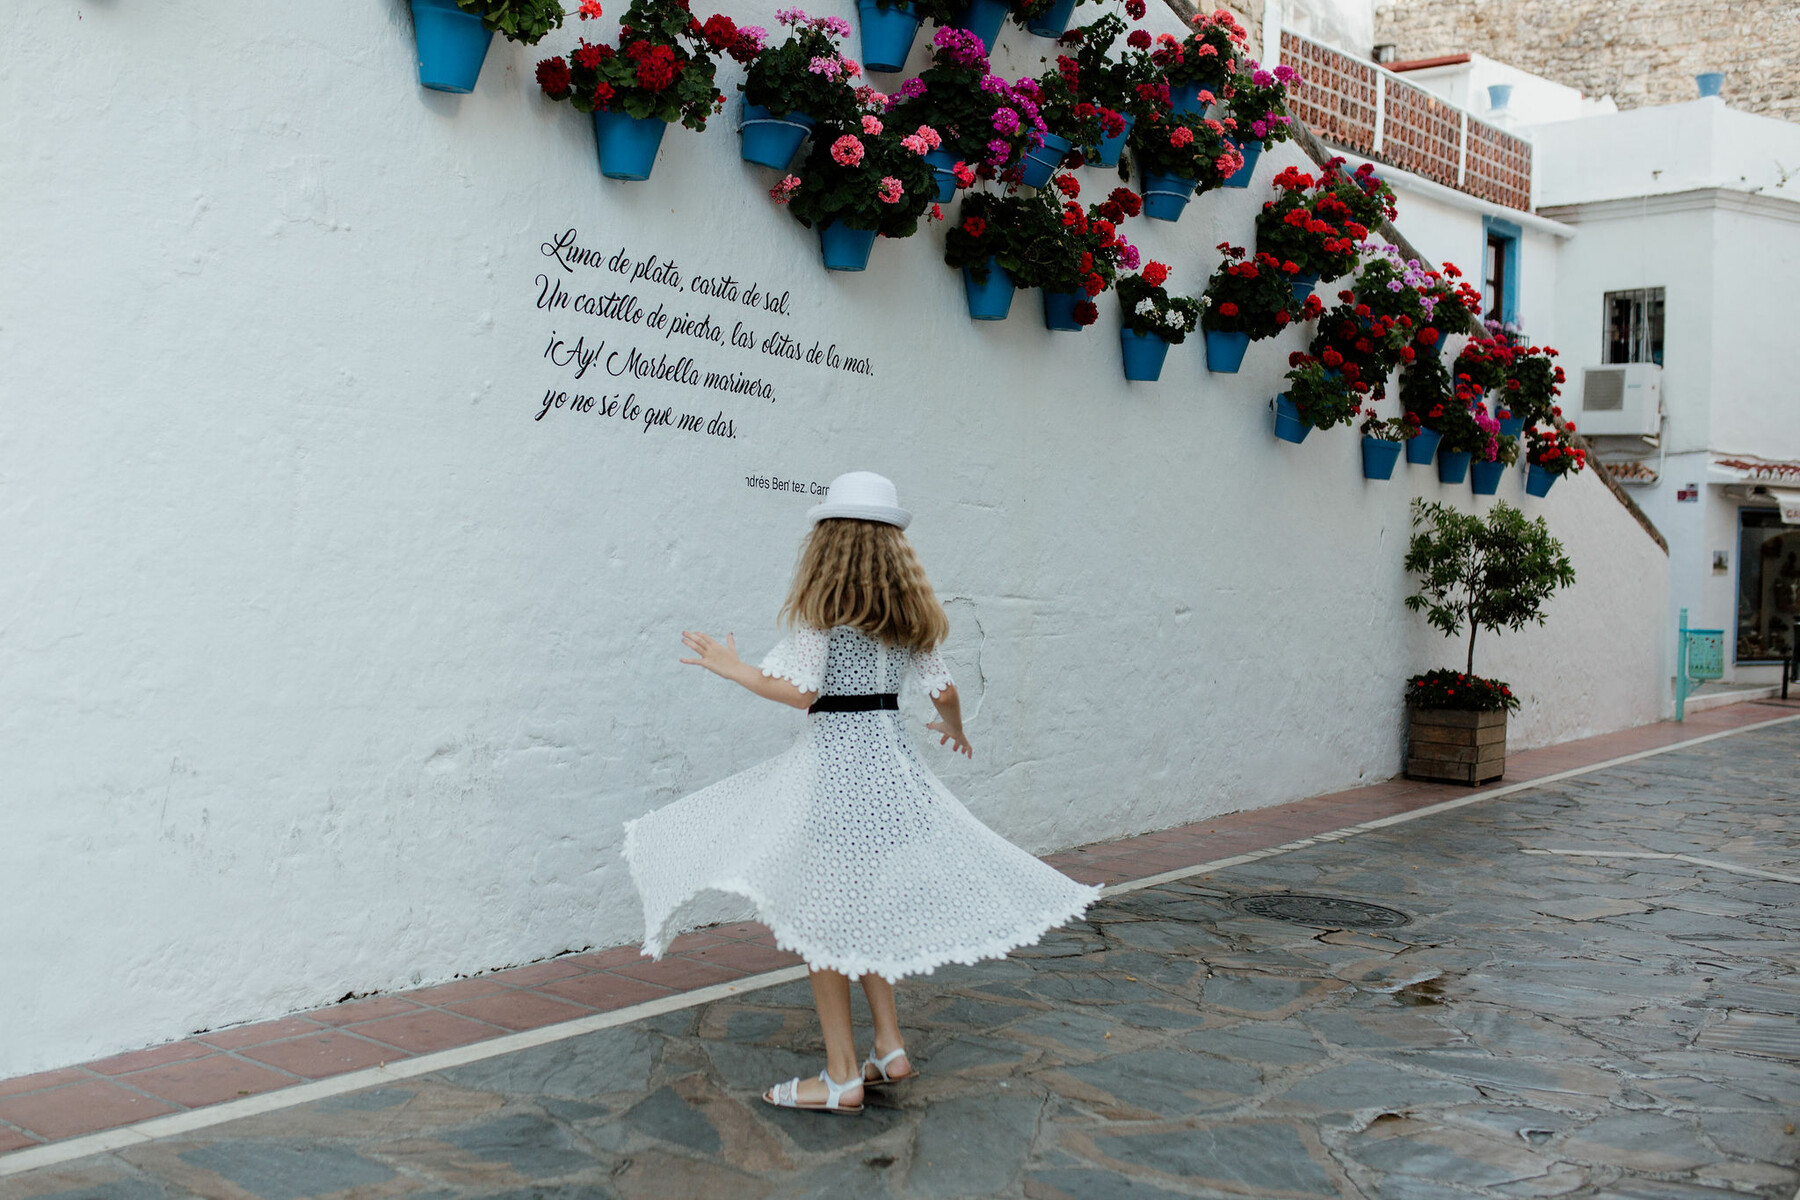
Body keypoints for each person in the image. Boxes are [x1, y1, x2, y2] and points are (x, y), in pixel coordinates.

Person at [622, 471, 1098, 1115]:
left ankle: (842, 1076)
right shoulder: (911, 618)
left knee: (822, 920)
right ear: (894, 549)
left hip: (837, 772)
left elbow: (801, 690)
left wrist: (731, 667)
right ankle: (890, 1045)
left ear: (828, 542)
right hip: (893, 772)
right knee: (859, 908)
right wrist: (952, 730)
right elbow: (946, 692)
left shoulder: (825, 609)